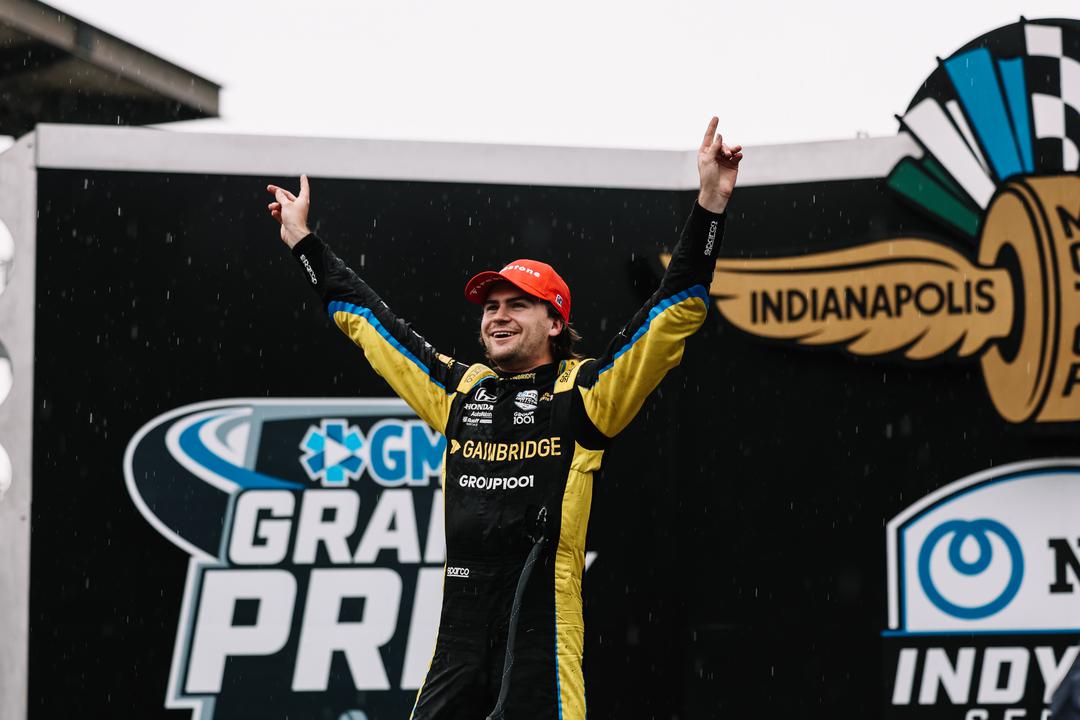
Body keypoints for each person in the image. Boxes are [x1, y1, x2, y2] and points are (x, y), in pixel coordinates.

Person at [266, 117, 742, 720]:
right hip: (459, 635)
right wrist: (304, 243)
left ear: (556, 323)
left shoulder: (587, 393)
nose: (498, 315)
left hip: (541, 632)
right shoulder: (460, 390)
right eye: (491, 306)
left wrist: (710, 203)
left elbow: (673, 313)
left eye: (518, 304)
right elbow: (368, 322)